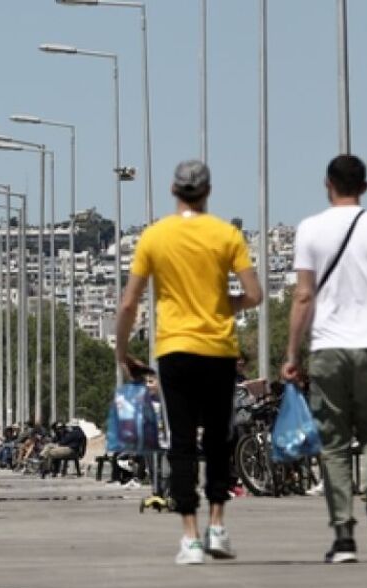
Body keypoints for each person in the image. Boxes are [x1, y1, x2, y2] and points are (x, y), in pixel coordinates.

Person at [115, 159, 262, 565]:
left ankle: (190, 538)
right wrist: (221, 303)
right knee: (218, 439)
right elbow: (254, 294)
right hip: (218, 350)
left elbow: (129, 302)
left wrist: (122, 350)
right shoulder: (226, 234)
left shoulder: (155, 237)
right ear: (208, 191)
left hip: (174, 350)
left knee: (180, 442)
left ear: (173, 191)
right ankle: (217, 525)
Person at [282, 154, 367, 563]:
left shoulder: (310, 230)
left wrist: (291, 352)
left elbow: (303, 295)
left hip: (328, 348)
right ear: (365, 187)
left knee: (334, 443)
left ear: (327, 184)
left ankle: (343, 536)